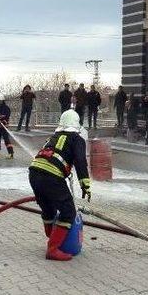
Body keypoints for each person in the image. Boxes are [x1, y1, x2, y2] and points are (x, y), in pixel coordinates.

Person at [28, 109, 91, 261]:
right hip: (51, 177)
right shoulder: (76, 139)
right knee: (68, 211)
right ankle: (53, 249)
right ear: (77, 125)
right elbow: (81, 162)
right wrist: (85, 185)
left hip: (34, 173)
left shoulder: (54, 137)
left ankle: (53, 239)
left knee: (48, 209)